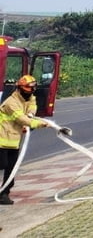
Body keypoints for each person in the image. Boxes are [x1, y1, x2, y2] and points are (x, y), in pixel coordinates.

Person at [0, 75, 53, 205]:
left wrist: (30, 115)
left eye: (33, 88)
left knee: (11, 169)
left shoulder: (28, 98)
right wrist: (37, 124)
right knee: (2, 164)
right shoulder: (11, 103)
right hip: (1, 140)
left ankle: (4, 194)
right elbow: (20, 119)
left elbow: (32, 105)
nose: (32, 91)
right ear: (20, 88)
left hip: (14, 141)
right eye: (29, 88)